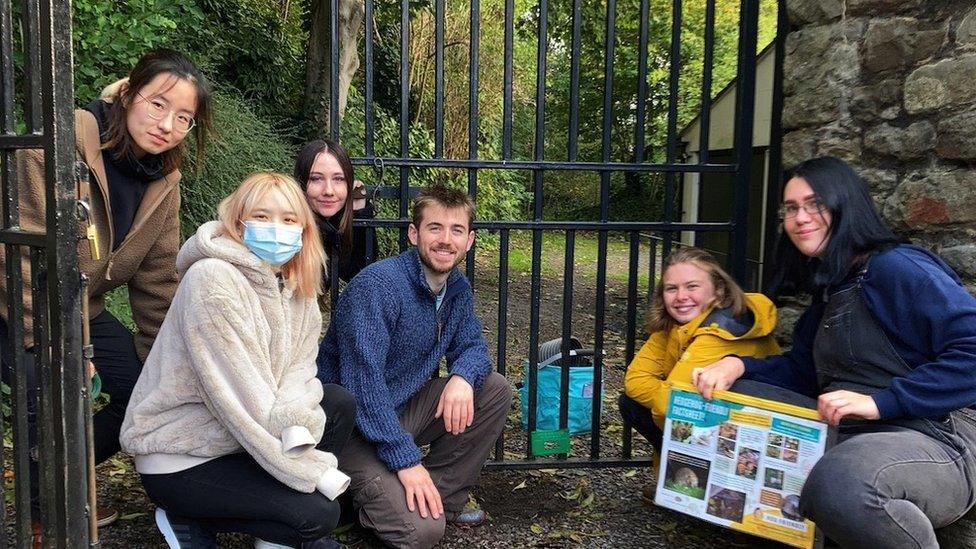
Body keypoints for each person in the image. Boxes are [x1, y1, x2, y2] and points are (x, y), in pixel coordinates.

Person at [692, 156, 976, 548]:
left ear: (846, 204)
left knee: (842, 482)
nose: (800, 218)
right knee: (729, 400)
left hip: (939, 437)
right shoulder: (831, 289)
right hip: (854, 431)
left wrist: (883, 402)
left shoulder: (899, 267)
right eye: (791, 208)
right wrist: (734, 364)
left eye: (815, 203)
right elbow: (801, 371)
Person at [0, 49, 214, 538]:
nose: (167, 124)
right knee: (46, 385)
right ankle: (44, 519)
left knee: (142, 392)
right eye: (158, 104)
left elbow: (159, 278)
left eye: (184, 117)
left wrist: (173, 364)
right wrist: (60, 345)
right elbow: (27, 259)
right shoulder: (62, 140)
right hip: (17, 302)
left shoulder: (164, 178)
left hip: (83, 306)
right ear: (128, 93)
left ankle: (62, 477)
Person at [120, 172, 354, 549]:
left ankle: (272, 535)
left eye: (289, 219)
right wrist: (312, 472)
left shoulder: (298, 286)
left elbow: (299, 374)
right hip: (182, 454)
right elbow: (239, 400)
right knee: (319, 514)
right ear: (238, 222)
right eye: (261, 216)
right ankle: (187, 515)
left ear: (304, 230)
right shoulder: (212, 279)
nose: (276, 228)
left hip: (238, 441)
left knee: (337, 402)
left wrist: (295, 427)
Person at [317, 185, 513, 549]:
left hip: (400, 408)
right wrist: (406, 461)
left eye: (457, 230)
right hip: (349, 428)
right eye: (434, 227)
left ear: (469, 240)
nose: (445, 240)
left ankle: (438, 498)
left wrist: (462, 378)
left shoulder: (456, 288)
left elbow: (473, 347)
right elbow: (363, 388)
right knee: (419, 534)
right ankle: (356, 503)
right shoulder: (379, 286)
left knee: (494, 390)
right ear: (413, 233)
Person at [618, 246, 779, 502]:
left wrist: (672, 394)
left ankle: (714, 490)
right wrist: (672, 393)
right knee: (632, 403)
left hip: (755, 427)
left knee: (672, 411)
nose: (681, 296)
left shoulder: (720, 329)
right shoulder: (677, 324)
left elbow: (674, 406)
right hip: (717, 417)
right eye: (672, 288)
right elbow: (635, 381)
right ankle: (688, 479)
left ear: (718, 289)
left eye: (692, 286)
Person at [293, 138, 377, 286]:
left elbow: (359, 275)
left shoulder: (339, 217)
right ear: (301, 182)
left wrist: (358, 213)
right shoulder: (287, 223)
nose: (328, 191)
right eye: (316, 179)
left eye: (338, 179)